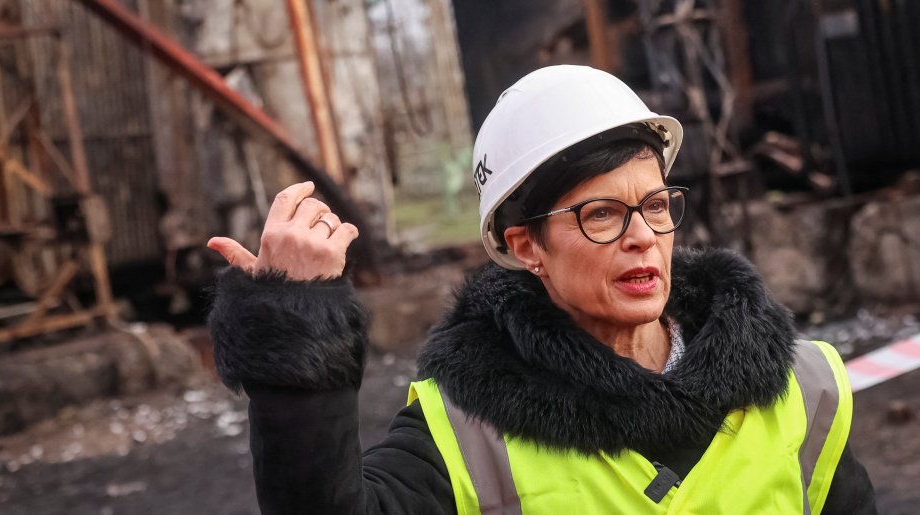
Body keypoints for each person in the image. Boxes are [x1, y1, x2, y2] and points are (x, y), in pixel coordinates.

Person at [206, 65, 876, 514]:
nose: (643, 235)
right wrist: (295, 330)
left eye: (656, 204)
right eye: (602, 213)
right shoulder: (468, 434)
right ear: (527, 246)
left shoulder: (801, 390)